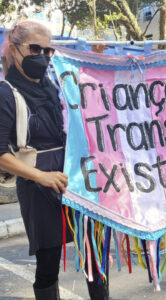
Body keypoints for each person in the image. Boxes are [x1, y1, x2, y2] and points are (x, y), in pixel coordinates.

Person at [0, 20, 108, 300]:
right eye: (35, 48)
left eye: (48, 51)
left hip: (77, 179)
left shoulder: (57, 85)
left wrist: (100, 63)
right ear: (14, 49)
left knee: (94, 254)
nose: (43, 56)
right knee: (48, 264)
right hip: (38, 185)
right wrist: (41, 177)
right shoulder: (5, 93)